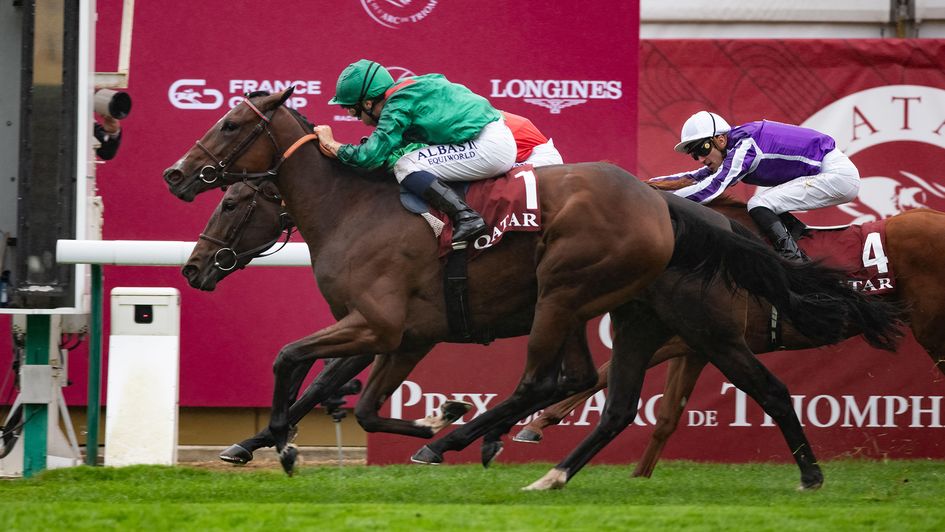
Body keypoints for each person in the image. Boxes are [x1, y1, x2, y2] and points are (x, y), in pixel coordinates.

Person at [314, 59, 518, 248]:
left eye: (351, 109)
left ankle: (466, 217)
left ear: (368, 103)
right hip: (490, 139)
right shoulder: (407, 90)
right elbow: (390, 147)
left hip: (488, 147)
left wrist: (333, 146)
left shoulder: (397, 103)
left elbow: (370, 156)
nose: (353, 116)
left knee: (406, 165)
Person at [648, 111, 860, 262]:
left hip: (836, 175)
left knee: (759, 203)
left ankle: (795, 261)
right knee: (764, 203)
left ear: (720, 140)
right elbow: (693, 178)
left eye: (701, 149)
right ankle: (797, 239)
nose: (700, 159)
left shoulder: (745, 145)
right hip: (828, 172)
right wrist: (648, 187)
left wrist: (664, 202)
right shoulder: (734, 147)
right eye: (694, 155)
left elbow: (713, 187)